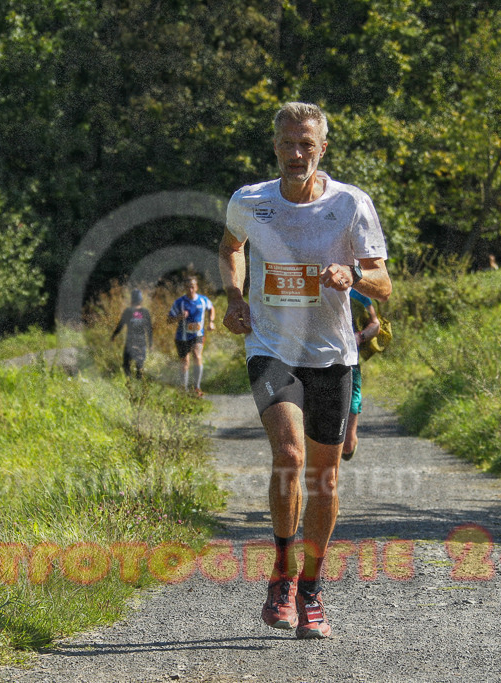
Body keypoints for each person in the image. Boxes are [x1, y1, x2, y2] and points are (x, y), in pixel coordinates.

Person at [220, 101, 392, 639]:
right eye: (288, 144)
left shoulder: (351, 204)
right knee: (290, 453)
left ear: (323, 148)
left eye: (307, 144)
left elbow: (384, 282)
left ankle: (313, 588)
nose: (297, 154)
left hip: (332, 353)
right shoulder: (250, 200)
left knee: (325, 474)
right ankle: (282, 572)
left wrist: (353, 276)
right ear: (275, 146)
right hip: (271, 346)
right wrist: (233, 294)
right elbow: (230, 247)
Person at [342, 289, 380, 462]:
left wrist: (359, 337)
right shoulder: (312, 285)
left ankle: (350, 441)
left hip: (350, 364)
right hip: (314, 363)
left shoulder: (357, 292)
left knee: (347, 446)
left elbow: (375, 324)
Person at [167, 277, 216, 397]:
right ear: (185, 288)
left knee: (197, 355)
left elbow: (211, 308)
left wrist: (211, 321)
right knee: (185, 362)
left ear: (196, 287)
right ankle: (184, 388)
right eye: (188, 287)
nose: (190, 289)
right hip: (182, 337)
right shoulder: (179, 302)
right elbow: (168, 320)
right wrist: (179, 317)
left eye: (192, 286)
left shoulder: (203, 300)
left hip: (198, 335)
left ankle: (197, 388)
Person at [111, 288, 152, 379]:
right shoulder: (145, 312)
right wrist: (150, 344)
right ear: (141, 300)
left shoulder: (128, 311)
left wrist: (114, 335)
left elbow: (120, 325)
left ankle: (128, 382)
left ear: (132, 300)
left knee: (126, 364)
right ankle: (139, 384)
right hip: (141, 342)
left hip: (130, 341)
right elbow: (149, 329)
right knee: (139, 365)